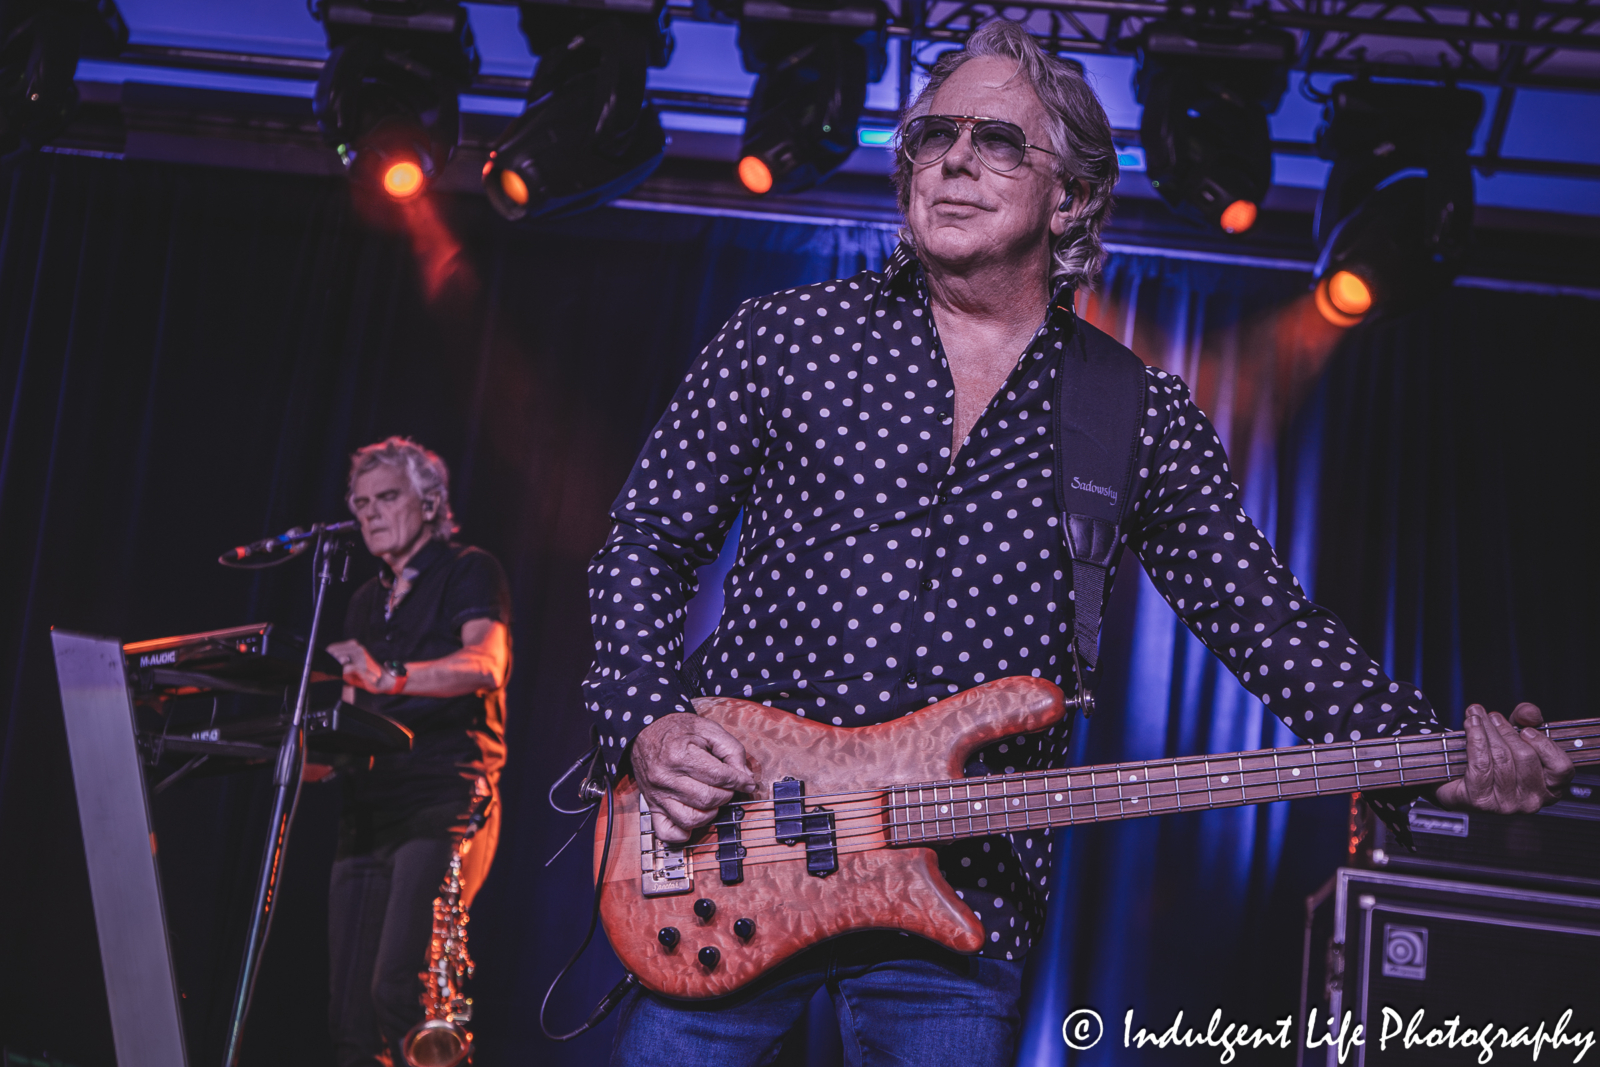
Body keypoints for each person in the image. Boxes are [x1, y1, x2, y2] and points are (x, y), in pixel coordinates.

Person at [581, 20, 1572, 1066]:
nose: (954, 158)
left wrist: (1433, 754)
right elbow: (644, 539)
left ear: (1071, 198)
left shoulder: (1130, 412)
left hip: (961, 901)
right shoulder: (786, 337)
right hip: (731, 854)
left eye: (998, 140)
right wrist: (644, 721)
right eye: (932, 136)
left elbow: (1265, 621)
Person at [324, 436, 512, 1067]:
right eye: (360, 503)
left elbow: (486, 664)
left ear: (429, 502)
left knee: (401, 989)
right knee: (349, 1017)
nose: (370, 513)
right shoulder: (360, 600)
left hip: (444, 796)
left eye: (387, 497)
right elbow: (351, 713)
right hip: (369, 805)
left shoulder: (468, 569)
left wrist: (390, 677)